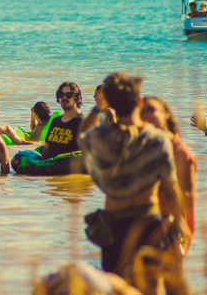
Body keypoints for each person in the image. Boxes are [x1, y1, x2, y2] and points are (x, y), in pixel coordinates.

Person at [78, 72, 183, 282]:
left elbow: (82, 134)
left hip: (113, 225)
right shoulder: (157, 139)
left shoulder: (101, 137)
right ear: (139, 101)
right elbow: (171, 190)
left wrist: (97, 108)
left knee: (116, 285)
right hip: (148, 223)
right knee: (149, 286)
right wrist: (176, 223)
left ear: (111, 103)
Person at [142, 96, 196, 249]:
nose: (146, 115)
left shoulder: (180, 153)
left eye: (151, 110)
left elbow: (188, 199)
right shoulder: (149, 147)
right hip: (149, 229)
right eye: (142, 112)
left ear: (165, 113)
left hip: (172, 232)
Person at [40, 81, 84, 159]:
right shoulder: (55, 121)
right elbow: (47, 147)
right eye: (61, 95)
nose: (64, 98)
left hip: (68, 166)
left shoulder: (82, 122)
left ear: (78, 97)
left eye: (68, 95)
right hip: (50, 166)